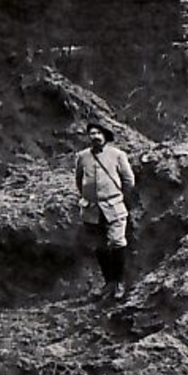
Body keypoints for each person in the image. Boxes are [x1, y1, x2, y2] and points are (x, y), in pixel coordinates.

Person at [74, 121, 137, 301]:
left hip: (114, 207)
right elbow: (79, 181)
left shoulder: (118, 155)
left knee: (117, 242)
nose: (95, 136)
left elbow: (128, 181)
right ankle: (108, 282)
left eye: (98, 133)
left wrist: (117, 198)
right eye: (91, 133)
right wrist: (88, 197)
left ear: (105, 136)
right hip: (92, 210)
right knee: (99, 246)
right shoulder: (82, 157)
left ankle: (119, 283)